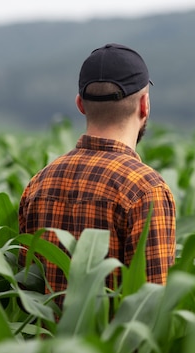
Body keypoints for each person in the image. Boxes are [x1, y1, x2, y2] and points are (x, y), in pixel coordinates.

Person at [18, 43, 176, 307]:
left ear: (80, 104)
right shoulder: (146, 191)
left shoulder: (38, 183)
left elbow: (27, 290)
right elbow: (151, 312)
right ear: (145, 105)